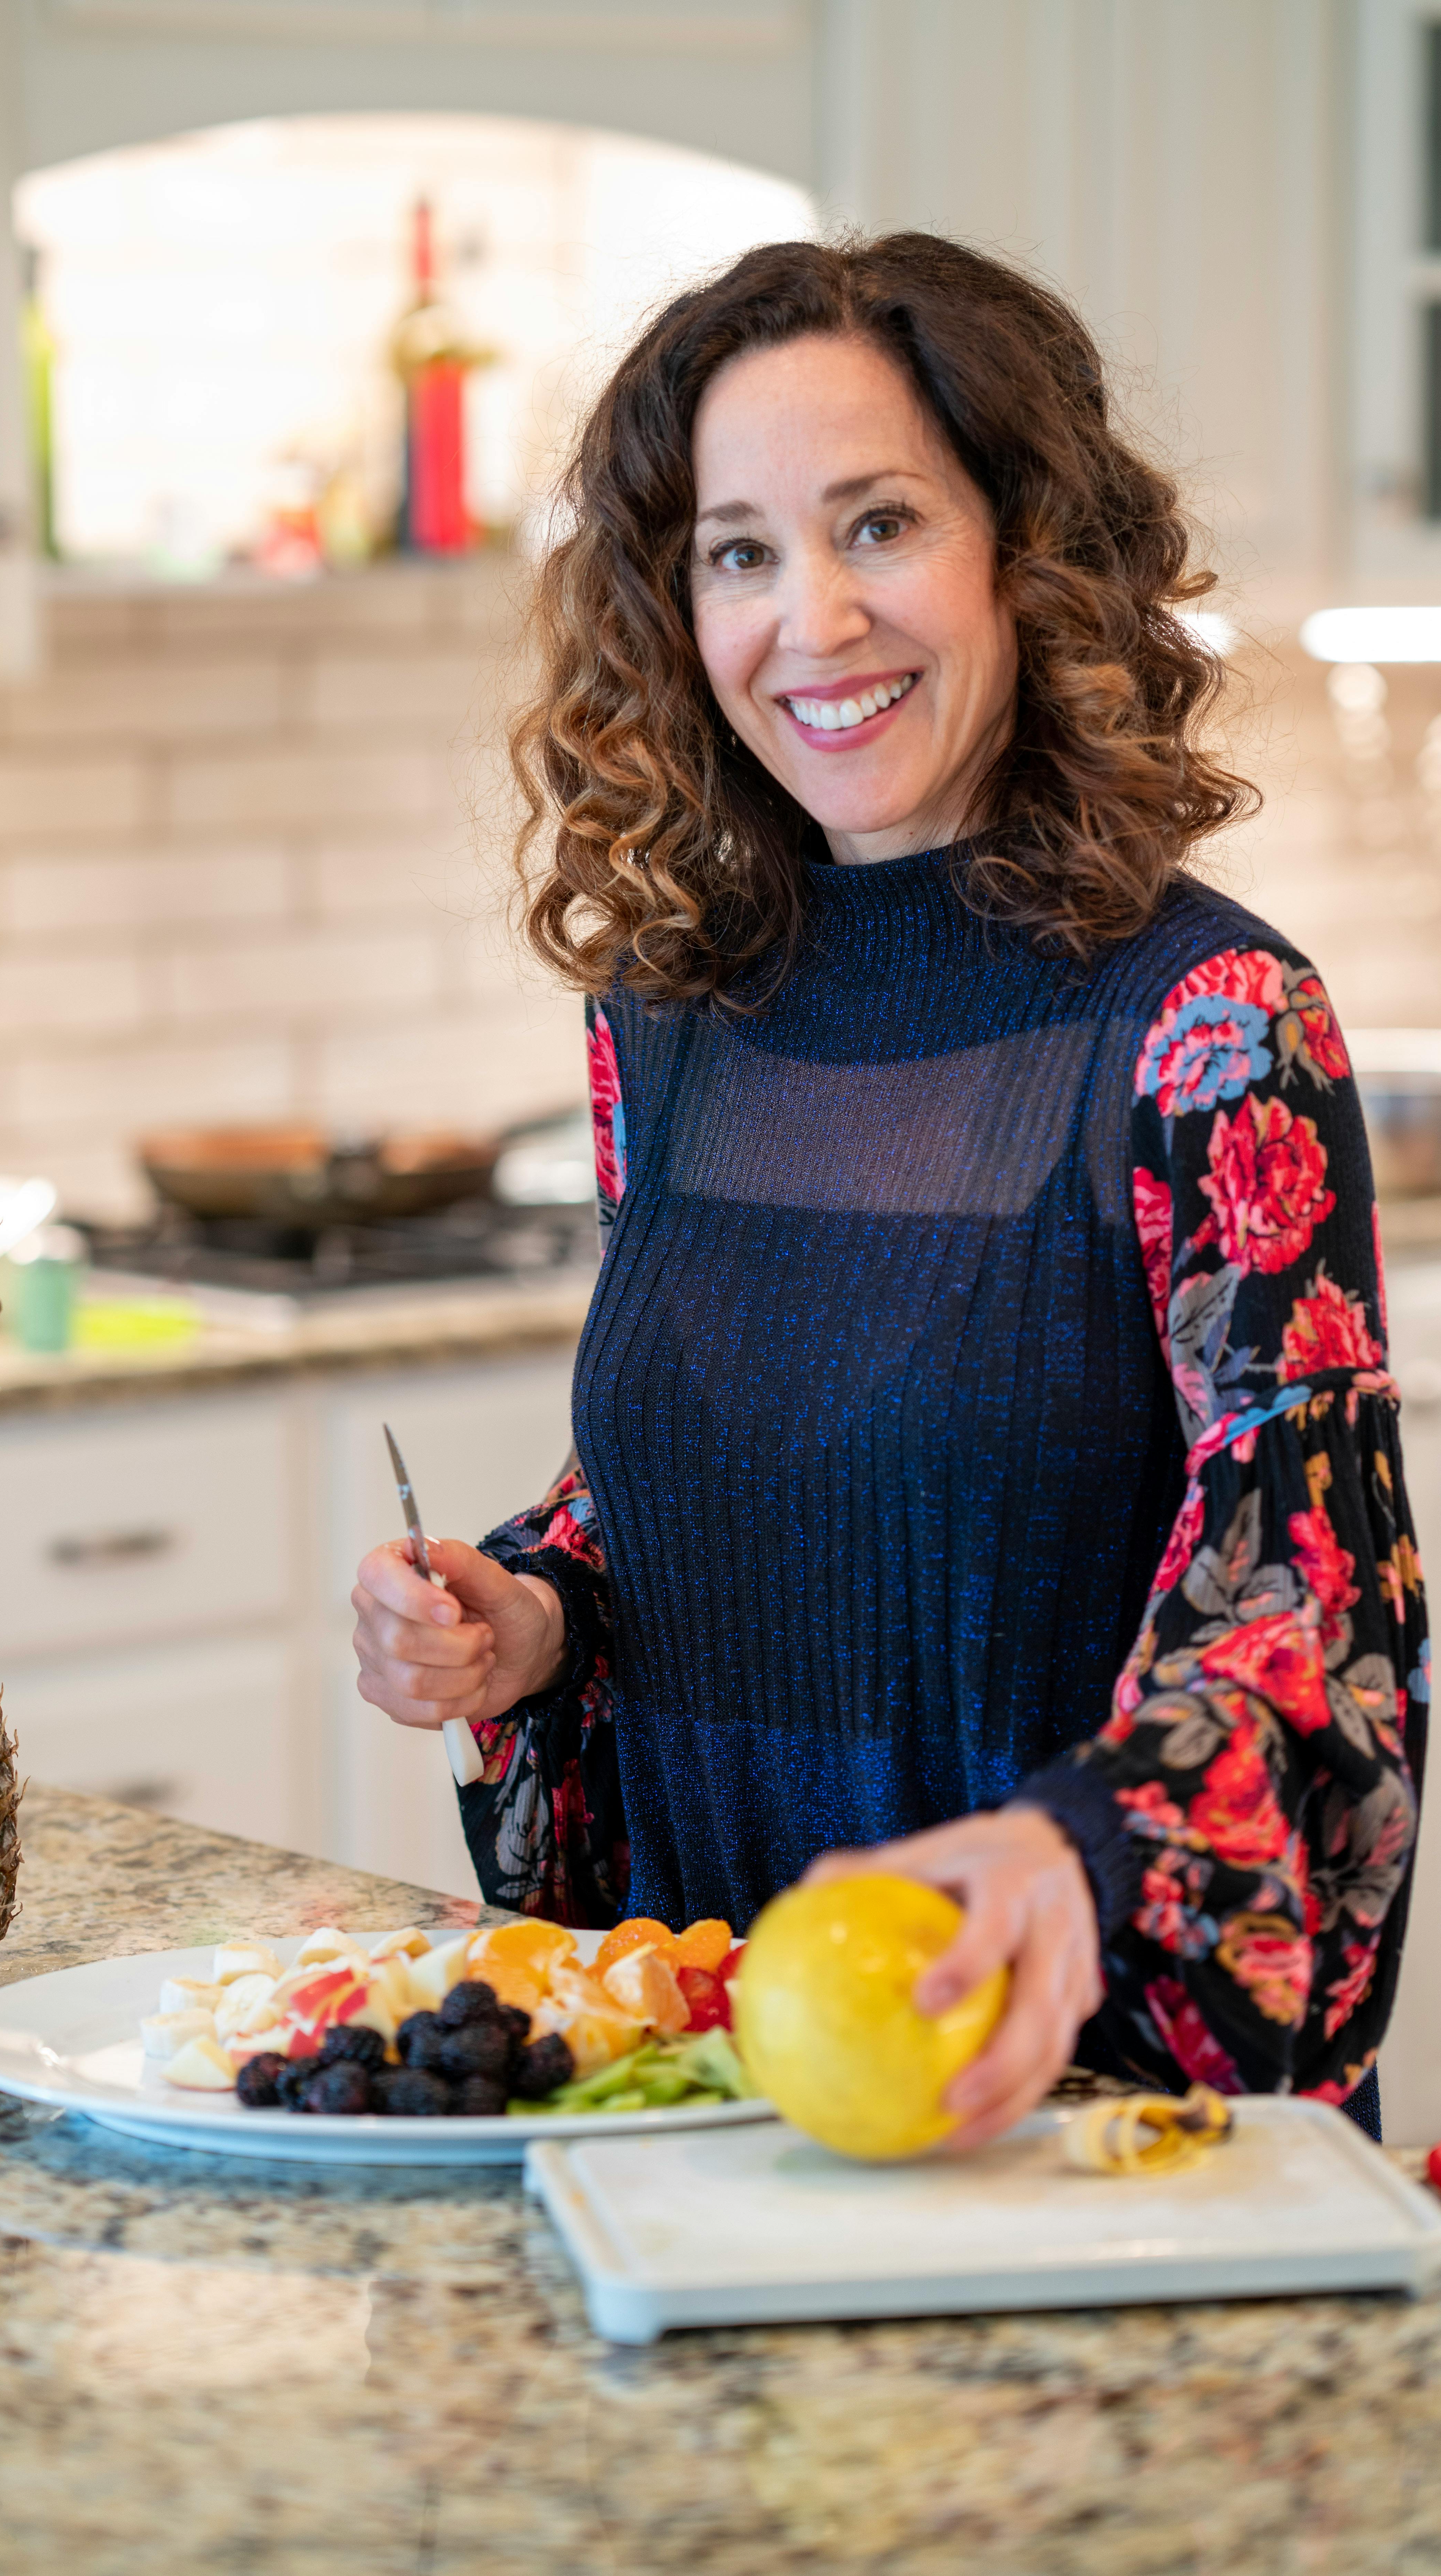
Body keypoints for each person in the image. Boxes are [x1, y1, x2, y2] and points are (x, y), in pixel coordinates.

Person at [351, 233, 1426, 2150]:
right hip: (696, 2083)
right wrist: (534, 1613)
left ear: (1024, 551)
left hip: (1060, 2097)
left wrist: (1063, 1845)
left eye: (881, 525)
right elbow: (736, 1472)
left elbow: (1316, 1604)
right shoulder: (666, 1016)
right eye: (741, 553)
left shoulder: (1209, 1023)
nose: (815, 619)